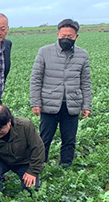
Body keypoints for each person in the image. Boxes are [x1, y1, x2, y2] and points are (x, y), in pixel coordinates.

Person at [30, 18, 92, 167]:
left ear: (76, 37)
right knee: (44, 139)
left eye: (70, 36)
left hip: (72, 105)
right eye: (63, 35)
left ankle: (65, 169)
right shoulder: (44, 52)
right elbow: (36, 78)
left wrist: (86, 105)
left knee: (69, 140)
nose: (66, 38)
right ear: (57, 34)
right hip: (49, 104)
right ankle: (39, 168)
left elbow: (86, 82)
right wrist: (35, 102)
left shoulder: (83, 55)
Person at [0, 105, 45, 201]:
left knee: (32, 189)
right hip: (0, 159)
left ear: (9, 122)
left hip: (23, 160)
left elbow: (38, 148)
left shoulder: (25, 126)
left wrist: (33, 171)